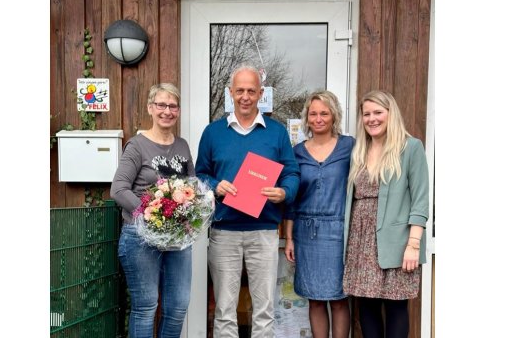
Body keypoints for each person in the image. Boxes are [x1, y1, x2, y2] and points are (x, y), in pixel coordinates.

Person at [195, 65, 300, 338]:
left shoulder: (276, 133)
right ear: (230, 93)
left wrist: (284, 192)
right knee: (225, 310)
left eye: (251, 91)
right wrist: (215, 186)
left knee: (264, 308)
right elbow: (200, 175)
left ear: (260, 94)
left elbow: (291, 172)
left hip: (263, 231)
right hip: (224, 231)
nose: (245, 96)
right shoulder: (213, 132)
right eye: (239, 90)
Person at [342, 90, 429, 338]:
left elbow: (421, 200)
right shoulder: (358, 151)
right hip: (361, 242)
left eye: (378, 112)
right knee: (366, 306)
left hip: (397, 241)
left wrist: (413, 244)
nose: (372, 119)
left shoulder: (410, 148)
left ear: (391, 114)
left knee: (396, 305)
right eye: (366, 114)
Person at [110, 83, 194, 338]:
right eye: (161, 105)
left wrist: (193, 210)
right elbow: (118, 189)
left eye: (172, 106)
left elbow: (193, 187)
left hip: (177, 238)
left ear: (178, 110)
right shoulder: (137, 146)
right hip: (140, 236)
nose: (167, 111)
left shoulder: (182, 146)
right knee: (146, 308)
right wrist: (150, 212)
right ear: (150, 108)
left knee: (178, 307)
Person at [283, 90, 353, 338]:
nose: (319, 118)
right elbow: (291, 198)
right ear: (307, 118)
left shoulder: (350, 146)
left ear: (334, 115)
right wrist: (289, 238)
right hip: (307, 233)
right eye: (313, 113)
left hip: (339, 231)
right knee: (314, 299)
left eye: (324, 113)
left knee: (339, 298)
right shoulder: (297, 151)